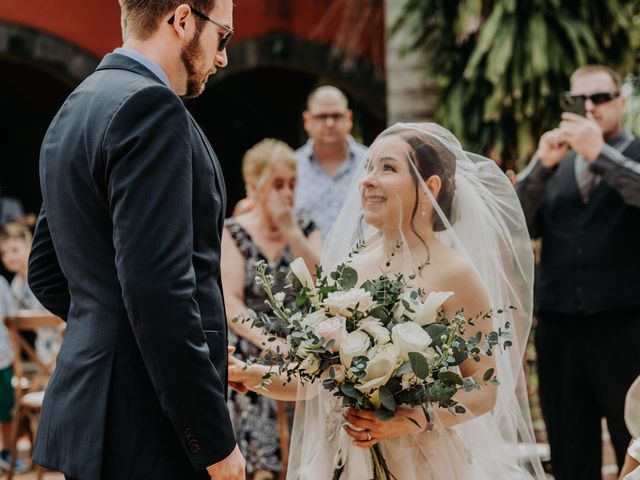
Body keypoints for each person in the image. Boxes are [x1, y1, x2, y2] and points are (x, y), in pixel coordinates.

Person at [230, 123, 546, 479]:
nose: (367, 180)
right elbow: (319, 379)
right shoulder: (350, 264)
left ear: (429, 188)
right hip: (345, 461)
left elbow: (485, 391)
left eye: (388, 168)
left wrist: (412, 419)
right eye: (368, 167)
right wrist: (254, 374)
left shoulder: (455, 273)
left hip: (422, 463)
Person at [27, 1, 245, 479]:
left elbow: (46, 271)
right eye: (222, 37)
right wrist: (212, 440)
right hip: (149, 428)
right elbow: (157, 291)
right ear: (183, 19)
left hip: (94, 416)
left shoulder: (78, 103)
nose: (222, 57)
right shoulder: (152, 107)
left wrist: (171, 341)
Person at [516, 65, 640, 480]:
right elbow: (513, 226)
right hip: (560, 332)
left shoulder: (634, 153)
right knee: (570, 454)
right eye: (579, 100)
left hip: (627, 329)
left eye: (601, 98)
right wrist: (539, 166)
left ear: (621, 102)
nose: (590, 107)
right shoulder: (556, 164)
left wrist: (598, 154)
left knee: (636, 448)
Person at [221, 139, 322, 480]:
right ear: (253, 186)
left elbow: (324, 285)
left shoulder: (307, 230)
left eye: (292, 184)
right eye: (277, 184)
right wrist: (269, 342)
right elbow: (231, 302)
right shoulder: (233, 232)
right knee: (256, 379)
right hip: (255, 344)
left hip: (304, 348)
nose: (286, 193)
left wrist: (291, 231)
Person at [294, 85, 368, 238]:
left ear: (349, 118)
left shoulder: (371, 162)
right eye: (321, 116)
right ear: (307, 120)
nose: (329, 123)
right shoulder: (290, 167)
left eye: (336, 116)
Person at [0, 222, 63, 365]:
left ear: (29, 246)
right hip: (42, 346)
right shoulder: (15, 286)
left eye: (14, 250)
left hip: (64, 339)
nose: (9, 257)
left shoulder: (45, 274)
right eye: (3, 253)